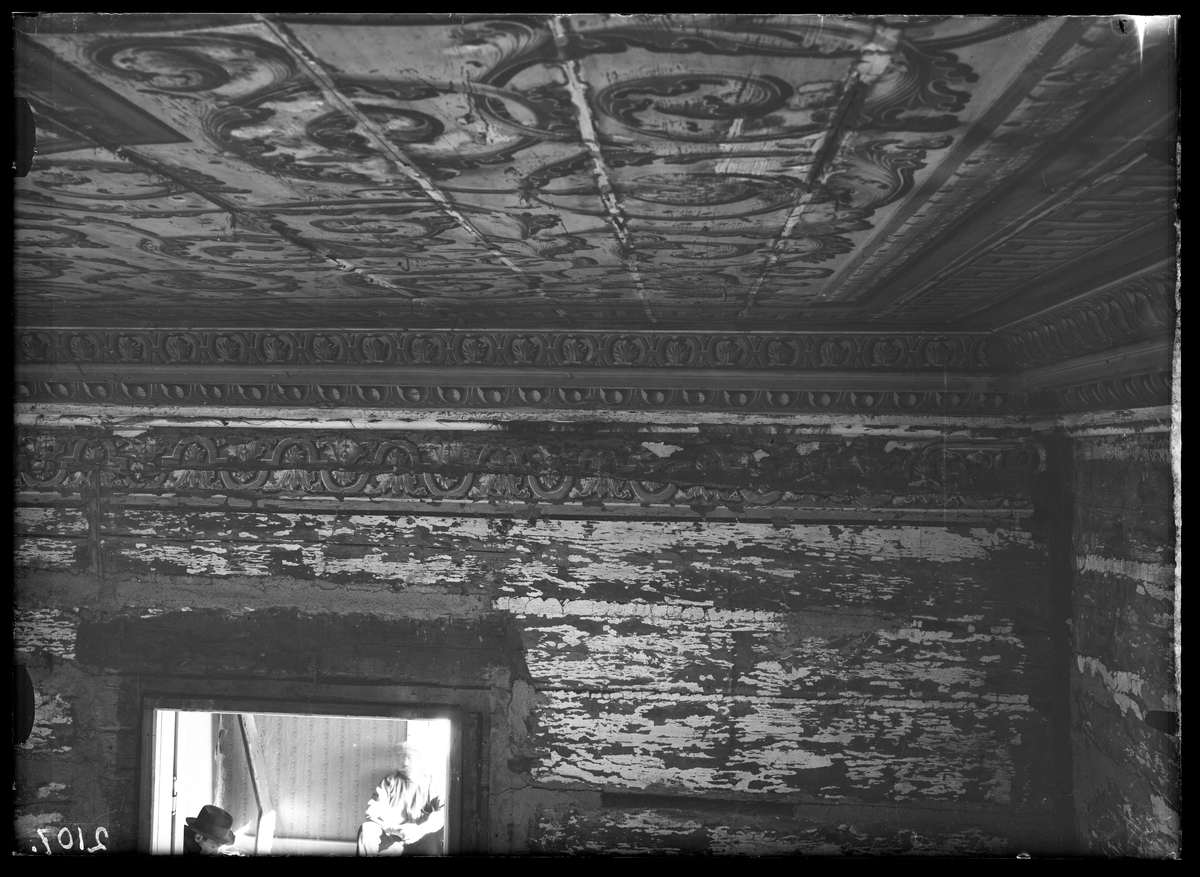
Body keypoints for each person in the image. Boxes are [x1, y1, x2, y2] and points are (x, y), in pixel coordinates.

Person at [356, 755, 445, 856]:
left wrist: (419, 830)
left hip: (423, 839)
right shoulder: (389, 781)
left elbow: (444, 814)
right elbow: (372, 812)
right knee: (367, 828)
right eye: (402, 757)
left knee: (441, 829)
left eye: (410, 758)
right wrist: (394, 829)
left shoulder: (433, 782)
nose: (405, 763)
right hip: (394, 839)